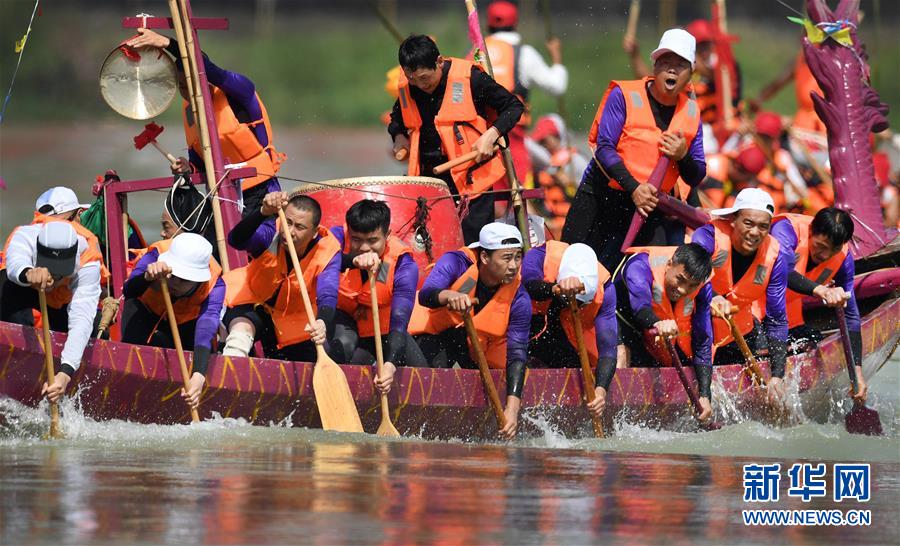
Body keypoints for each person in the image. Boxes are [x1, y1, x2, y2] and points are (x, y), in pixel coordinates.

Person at [125, 28, 286, 243]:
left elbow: (207, 67)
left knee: (245, 243)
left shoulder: (239, 91)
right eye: (181, 86)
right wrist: (187, 168)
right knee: (213, 248)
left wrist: (169, 44)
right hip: (222, 196)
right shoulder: (190, 112)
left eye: (191, 85)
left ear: (204, 78)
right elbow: (199, 163)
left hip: (260, 191)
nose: (186, 92)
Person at [563, 29, 705, 271]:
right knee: (573, 265)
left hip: (649, 208)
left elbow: (696, 175)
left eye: (680, 65)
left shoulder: (692, 113)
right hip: (603, 195)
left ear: (691, 73)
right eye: (665, 62)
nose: (672, 69)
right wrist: (634, 188)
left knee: (639, 278)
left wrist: (683, 156)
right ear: (654, 66)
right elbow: (604, 148)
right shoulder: (624, 95)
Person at [388, 34, 525, 244]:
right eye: (412, 78)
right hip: (430, 183)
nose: (419, 85)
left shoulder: (472, 79)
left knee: (471, 246)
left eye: (424, 78)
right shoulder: (410, 86)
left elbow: (513, 107)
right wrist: (398, 137)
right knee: (433, 245)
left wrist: (491, 135)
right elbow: (396, 119)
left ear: (439, 62)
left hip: (472, 181)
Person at [409, 222, 530, 439]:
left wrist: (512, 410)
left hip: (476, 351)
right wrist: (450, 296)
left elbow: (517, 354)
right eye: (506, 258)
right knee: (442, 352)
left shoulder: (520, 298)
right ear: (484, 257)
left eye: (518, 257)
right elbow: (426, 294)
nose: (514, 266)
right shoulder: (456, 262)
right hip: (434, 337)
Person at [690, 188, 790, 405]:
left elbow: (777, 318)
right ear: (733, 219)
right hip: (696, 332)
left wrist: (777, 375)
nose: (755, 232)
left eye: (763, 226)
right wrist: (713, 296)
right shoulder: (707, 237)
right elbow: (691, 272)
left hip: (740, 334)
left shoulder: (777, 256)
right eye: (748, 223)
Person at [221, 193, 340, 361]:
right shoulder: (272, 233)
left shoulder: (329, 251)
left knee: (309, 360)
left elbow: (328, 292)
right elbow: (236, 240)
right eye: (288, 222)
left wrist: (323, 321)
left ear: (314, 232)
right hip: (253, 302)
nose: (289, 232)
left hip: (292, 318)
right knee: (240, 332)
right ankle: (230, 369)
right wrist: (262, 212)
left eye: (299, 227)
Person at [770, 208, 867, 403]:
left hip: (790, 318)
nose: (825, 255)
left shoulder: (844, 257)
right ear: (811, 231)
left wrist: (858, 372)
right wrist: (821, 290)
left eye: (833, 250)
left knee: (813, 340)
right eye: (820, 246)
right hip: (755, 314)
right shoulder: (786, 230)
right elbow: (782, 271)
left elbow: (850, 315)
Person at [330, 200, 426, 395]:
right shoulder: (335, 239)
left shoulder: (404, 265)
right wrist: (352, 261)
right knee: (344, 348)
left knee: (423, 379)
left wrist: (390, 365)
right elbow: (318, 259)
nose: (364, 248)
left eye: (373, 240)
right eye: (356, 239)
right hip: (342, 323)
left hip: (383, 330)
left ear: (387, 235)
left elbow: (399, 320)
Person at [0, 221, 102, 403]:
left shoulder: (88, 262)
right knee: (5, 282)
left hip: (61, 308)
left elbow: (81, 318)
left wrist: (65, 372)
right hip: (23, 293)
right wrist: (27, 273)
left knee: (94, 326)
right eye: (51, 271)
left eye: (60, 273)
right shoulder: (25, 235)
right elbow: (15, 263)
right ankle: (15, 359)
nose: (53, 278)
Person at [122, 233, 224, 409]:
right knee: (135, 315)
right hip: (146, 311)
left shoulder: (216, 285)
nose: (175, 283)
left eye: (183, 280)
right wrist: (147, 277)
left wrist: (199, 375)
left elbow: (206, 326)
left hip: (185, 324)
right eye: (173, 275)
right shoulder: (155, 255)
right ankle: (129, 388)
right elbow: (128, 291)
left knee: (194, 360)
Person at [614, 243, 714, 422]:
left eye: (691, 286)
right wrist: (658, 323)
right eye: (680, 280)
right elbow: (640, 309)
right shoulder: (639, 266)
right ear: (669, 265)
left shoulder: (703, 286)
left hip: (657, 328)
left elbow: (702, 339)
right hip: (621, 318)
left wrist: (705, 394)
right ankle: (613, 417)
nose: (683, 290)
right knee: (622, 355)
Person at [521, 241, 618, 419]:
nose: (577, 305)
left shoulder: (606, 289)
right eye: (574, 301)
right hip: (535, 317)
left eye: (582, 302)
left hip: (571, 330)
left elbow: (608, 349)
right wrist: (555, 289)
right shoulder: (540, 255)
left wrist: (601, 391)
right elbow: (527, 284)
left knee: (577, 362)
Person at [478, 0, 569, 187]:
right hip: (512, 135)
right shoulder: (524, 53)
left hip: (478, 137)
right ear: (516, 24)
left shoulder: (475, 52)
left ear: (488, 24)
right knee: (517, 193)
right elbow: (556, 86)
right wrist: (557, 58)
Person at [527, 114, 588, 237]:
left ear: (557, 137)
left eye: (545, 140)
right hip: (550, 225)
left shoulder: (575, 161)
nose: (542, 145)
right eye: (539, 141)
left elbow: (587, 195)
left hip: (572, 224)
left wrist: (567, 183)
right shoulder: (540, 165)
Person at [698, 145, 767, 210]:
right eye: (748, 177)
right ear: (736, 165)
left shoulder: (746, 193)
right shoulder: (708, 167)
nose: (748, 180)